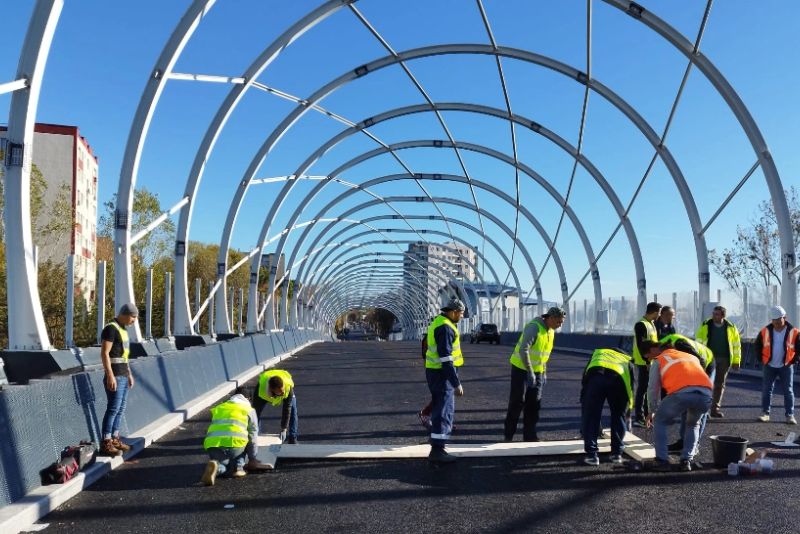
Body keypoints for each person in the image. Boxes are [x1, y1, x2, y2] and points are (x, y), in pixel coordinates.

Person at [644, 341, 713, 472]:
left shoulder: (660, 359)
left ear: (660, 350)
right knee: (693, 424)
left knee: (660, 420)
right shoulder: (691, 357)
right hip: (706, 394)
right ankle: (686, 460)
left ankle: (661, 460)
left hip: (681, 393)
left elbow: (652, 388)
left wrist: (652, 410)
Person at [503, 306, 567, 442]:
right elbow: (523, 350)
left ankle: (530, 436)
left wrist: (544, 372)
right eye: (559, 322)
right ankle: (508, 436)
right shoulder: (534, 327)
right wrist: (530, 371)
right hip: (521, 369)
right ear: (550, 318)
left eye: (562, 322)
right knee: (517, 402)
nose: (560, 325)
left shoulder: (551, 331)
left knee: (534, 404)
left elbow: (543, 355)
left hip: (538, 372)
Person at [658, 334, 714, 454]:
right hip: (693, 365)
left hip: (706, 364)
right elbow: (665, 384)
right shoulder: (664, 353)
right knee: (686, 403)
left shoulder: (680, 345)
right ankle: (683, 442)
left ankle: (694, 445)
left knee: (698, 410)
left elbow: (701, 361)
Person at [424, 297, 466, 463]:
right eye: (461, 313)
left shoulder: (440, 322)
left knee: (440, 407)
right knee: (444, 411)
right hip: (442, 374)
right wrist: (456, 383)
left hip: (437, 372)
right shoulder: (446, 328)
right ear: (454, 312)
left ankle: (437, 445)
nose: (462, 316)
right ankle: (437, 450)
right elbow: (446, 359)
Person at [580, 348, 634, 466]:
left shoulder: (598, 353)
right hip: (618, 381)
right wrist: (628, 411)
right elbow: (630, 387)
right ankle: (616, 454)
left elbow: (585, 377)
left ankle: (592, 456)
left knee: (591, 416)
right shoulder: (627, 360)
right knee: (618, 416)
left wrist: (584, 400)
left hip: (596, 378)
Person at [99, 303, 138, 456]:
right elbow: (105, 353)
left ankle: (115, 438)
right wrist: (110, 375)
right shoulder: (111, 328)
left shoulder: (123, 330)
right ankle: (106, 442)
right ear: (125, 314)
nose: (134, 320)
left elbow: (124, 356)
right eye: (133, 317)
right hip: (115, 375)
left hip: (123, 375)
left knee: (120, 409)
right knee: (113, 408)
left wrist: (129, 374)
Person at [201, 390, 259, 486]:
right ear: (248, 399)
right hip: (235, 445)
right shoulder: (249, 410)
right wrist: (253, 458)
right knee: (244, 437)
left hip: (213, 444)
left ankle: (217, 468)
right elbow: (253, 436)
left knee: (223, 465)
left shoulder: (219, 407)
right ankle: (239, 467)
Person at [695, 305, 741, 418]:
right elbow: (698, 342)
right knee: (706, 384)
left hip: (725, 359)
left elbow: (736, 345)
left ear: (723, 316)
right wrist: (698, 358)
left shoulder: (731, 327)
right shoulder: (706, 325)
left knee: (720, 385)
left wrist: (736, 361)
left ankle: (715, 409)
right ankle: (704, 410)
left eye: (717, 314)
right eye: (713, 313)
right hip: (708, 359)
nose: (714, 316)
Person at [755, 306, 799, 425]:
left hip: (786, 365)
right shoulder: (765, 331)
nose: (776, 324)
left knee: (788, 390)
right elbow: (757, 345)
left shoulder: (794, 332)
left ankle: (790, 415)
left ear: (785, 318)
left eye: (779, 321)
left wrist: (795, 360)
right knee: (767, 389)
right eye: (774, 321)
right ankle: (765, 413)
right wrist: (761, 359)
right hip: (769, 365)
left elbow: (798, 348)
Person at [631, 302, 661, 428]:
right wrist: (647, 361)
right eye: (659, 313)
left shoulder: (651, 324)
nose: (659, 315)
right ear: (654, 312)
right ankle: (639, 417)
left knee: (648, 389)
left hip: (651, 361)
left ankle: (646, 416)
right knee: (642, 389)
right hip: (644, 362)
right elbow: (641, 345)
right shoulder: (641, 324)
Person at [253, 369, 299, 443]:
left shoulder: (287, 388)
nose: (282, 393)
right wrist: (253, 432)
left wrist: (284, 428)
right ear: (272, 390)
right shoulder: (261, 390)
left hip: (286, 387)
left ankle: (293, 438)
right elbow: (254, 413)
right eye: (280, 392)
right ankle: (254, 436)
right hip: (264, 390)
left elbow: (287, 409)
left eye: (282, 390)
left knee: (293, 411)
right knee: (255, 413)